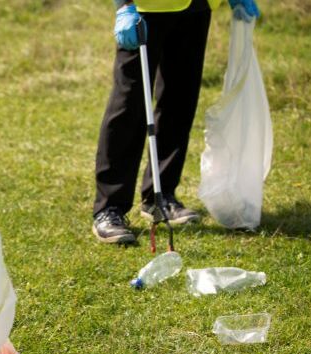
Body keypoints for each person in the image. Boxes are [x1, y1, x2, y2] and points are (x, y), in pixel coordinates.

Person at [92, 0, 260, 244]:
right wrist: (123, 5)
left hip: (196, 7)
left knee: (180, 100)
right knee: (130, 104)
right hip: (146, 9)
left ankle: (160, 197)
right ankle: (110, 207)